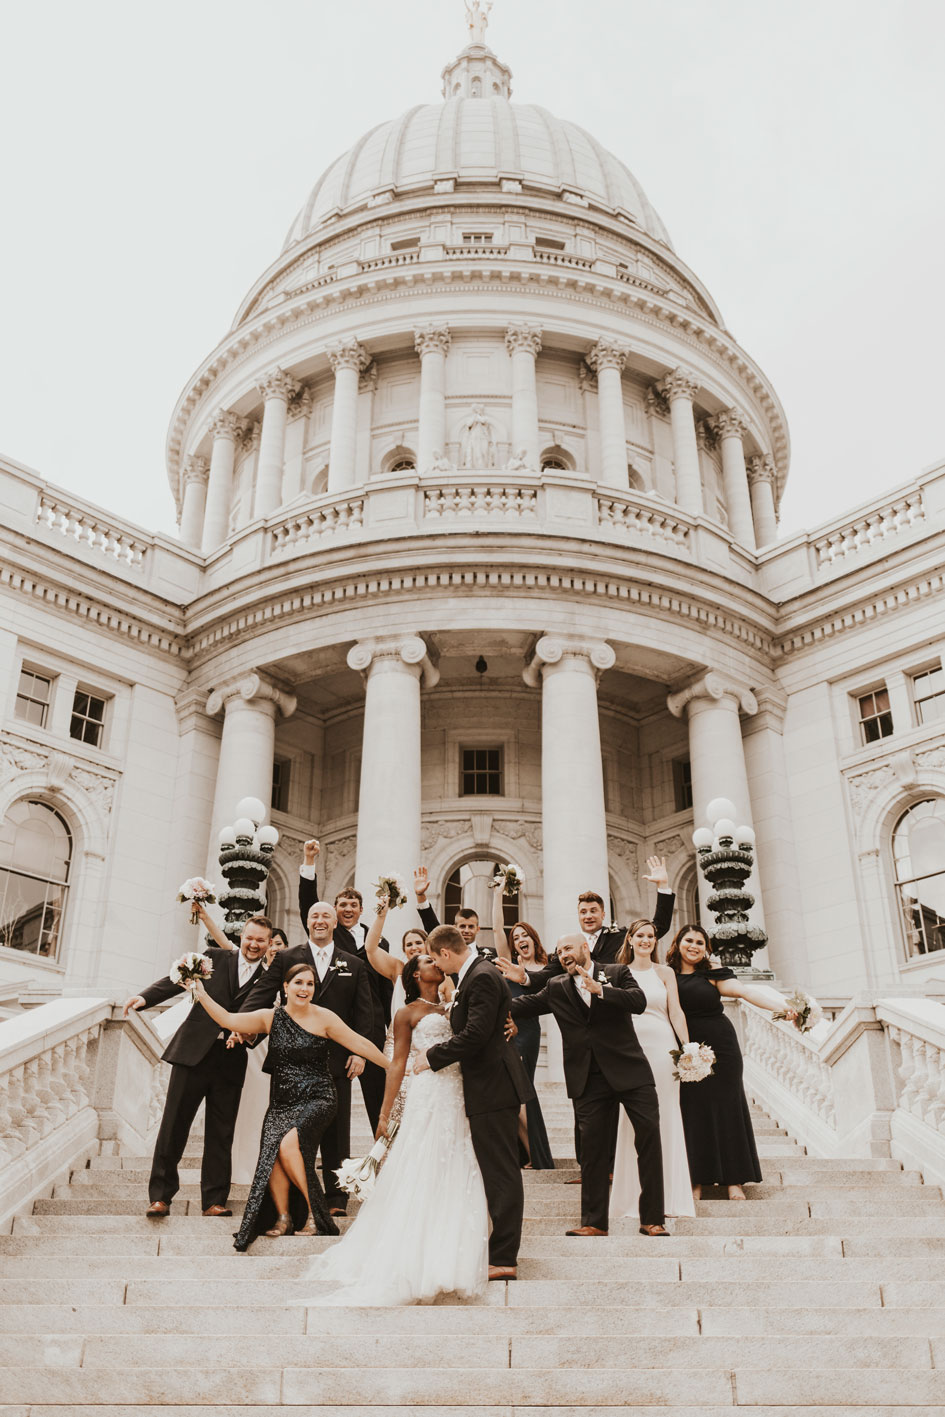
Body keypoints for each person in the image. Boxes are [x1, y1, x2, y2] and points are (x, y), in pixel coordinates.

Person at [300, 952, 488, 1305]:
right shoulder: (407, 1013)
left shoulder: (454, 1005)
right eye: (428, 960)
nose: (436, 963)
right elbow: (397, 1062)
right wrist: (385, 1114)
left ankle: (451, 1241)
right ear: (415, 974)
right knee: (422, 1163)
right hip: (427, 1093)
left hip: (458, 1092)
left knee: (457, 1161)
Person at [190, 961, 388, 1249]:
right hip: (282, 1101)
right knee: (273, 1149)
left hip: (318, 1096)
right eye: (298, 983)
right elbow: (228, 1019)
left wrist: (393, 1067)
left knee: (287, 1144)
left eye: (310, 984)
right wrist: (200, 991)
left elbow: (361, 1044)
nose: (304, 989)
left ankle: (315, 1214)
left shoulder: (325, 1018)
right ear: (285, 987)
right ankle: (283, 1217)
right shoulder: (271, 1018)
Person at [510, 934, 667, 1238]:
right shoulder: (556, 986)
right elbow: (522, 1005)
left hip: (630, 1071)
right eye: (559, 952)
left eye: (568, 948)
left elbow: (638, 1001)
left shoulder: (617, 972)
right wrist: (482, 998)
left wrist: (602, 990)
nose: (563, 955)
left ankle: (652, 1219)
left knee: (648, 1140)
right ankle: (594, 1222)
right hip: (587, 1078)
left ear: (585, 948)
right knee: (593, 1151)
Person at [122, 914, 272, 1218]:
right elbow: (177, 978)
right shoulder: (214, 957)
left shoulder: (270, 978)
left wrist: (248, 1035)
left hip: (231, 1059)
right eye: (249, 938)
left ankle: (214, 1200)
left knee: (221, 1133)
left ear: (269, 944)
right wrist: (145, 997)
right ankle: (160, 1197)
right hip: (192, 1053)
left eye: (260, 940)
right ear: (241, 936)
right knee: (173, 1125)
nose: (253, 944)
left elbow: (266, 1018)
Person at [413, 924, 533, 1281]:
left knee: (501, 1172)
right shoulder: (476, 974)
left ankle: (505, 1257)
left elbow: (476, 1034)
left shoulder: (480, 976)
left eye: (436, 959)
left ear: (445, 953)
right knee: (497, 1170)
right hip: (488, 1085)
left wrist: (432, 1056)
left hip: (493, 1086)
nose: (437, 966)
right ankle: (500, 1251)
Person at [239, 900, 374, 1216]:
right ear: (307, 921)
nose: (320, 920)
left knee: (336, 1133)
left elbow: (364, 1012)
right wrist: (241, 1023)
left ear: (335, 922)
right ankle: (297, 1202)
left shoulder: (354, 964)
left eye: (326, 915)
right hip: (292, 1062)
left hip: (336, 1062)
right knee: (291, 1133)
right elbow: (262, 992)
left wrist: (359, 1052)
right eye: (315, 915)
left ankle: (336, 1199)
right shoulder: (287, 957)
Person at [666, 925, 797, 1201]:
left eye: (700, 942)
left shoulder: (713, 973)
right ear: (677, 943)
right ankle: (696, 1180)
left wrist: (781, 1007)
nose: (694, 946)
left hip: (721, 1047)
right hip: (686, 1048)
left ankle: (734, 1180)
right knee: (693, 1111)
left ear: (706, 948)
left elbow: (744, 992)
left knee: (728, 1109)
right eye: (689, 940)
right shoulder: (666, 975)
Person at [298, 839, 393, 1132]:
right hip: (336, 1027)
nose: (347, 909)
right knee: (335, 1100)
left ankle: (383, 1149)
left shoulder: (380, 943)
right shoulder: (330, 935)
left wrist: (387, 1026)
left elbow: (386, 989)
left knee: (379, 1096)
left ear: (361, 910)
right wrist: (309, 863)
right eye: (342, 905)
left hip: (371, 1027)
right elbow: (308, 904)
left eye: (353, 905)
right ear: (335, 912)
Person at [610, 918, 695, 1224]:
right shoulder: (618, 972)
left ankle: (670, 1196)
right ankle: (632, 1199)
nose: (646, 940)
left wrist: (688, 1048)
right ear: (630, 940)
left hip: (662, 1049)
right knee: (632, 1120)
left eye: (651, 936)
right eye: (641, 935)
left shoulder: (665, 973)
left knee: (667, 1115)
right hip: (630, 1051)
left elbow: (676, 1012)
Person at [491, 889, 554, 1171]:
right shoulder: (509, 964)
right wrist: (498, 894)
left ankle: (537, 1157)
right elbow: (497, 929)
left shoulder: (546, 966)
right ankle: (531, 1155)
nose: (520, 940)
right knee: (512, 1094)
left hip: (526, 1032)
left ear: (533, 938)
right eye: (516, 938)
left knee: (520, 1092)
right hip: (505, 1031)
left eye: (524, 935)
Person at [413, 866, 497, 959]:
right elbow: (431, 925)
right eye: (462, 926)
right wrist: (420, 895)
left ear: (478, 929)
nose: (466, 931)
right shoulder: (446, 951)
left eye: (471, 927)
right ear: (455, 928)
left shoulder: (490, 954)